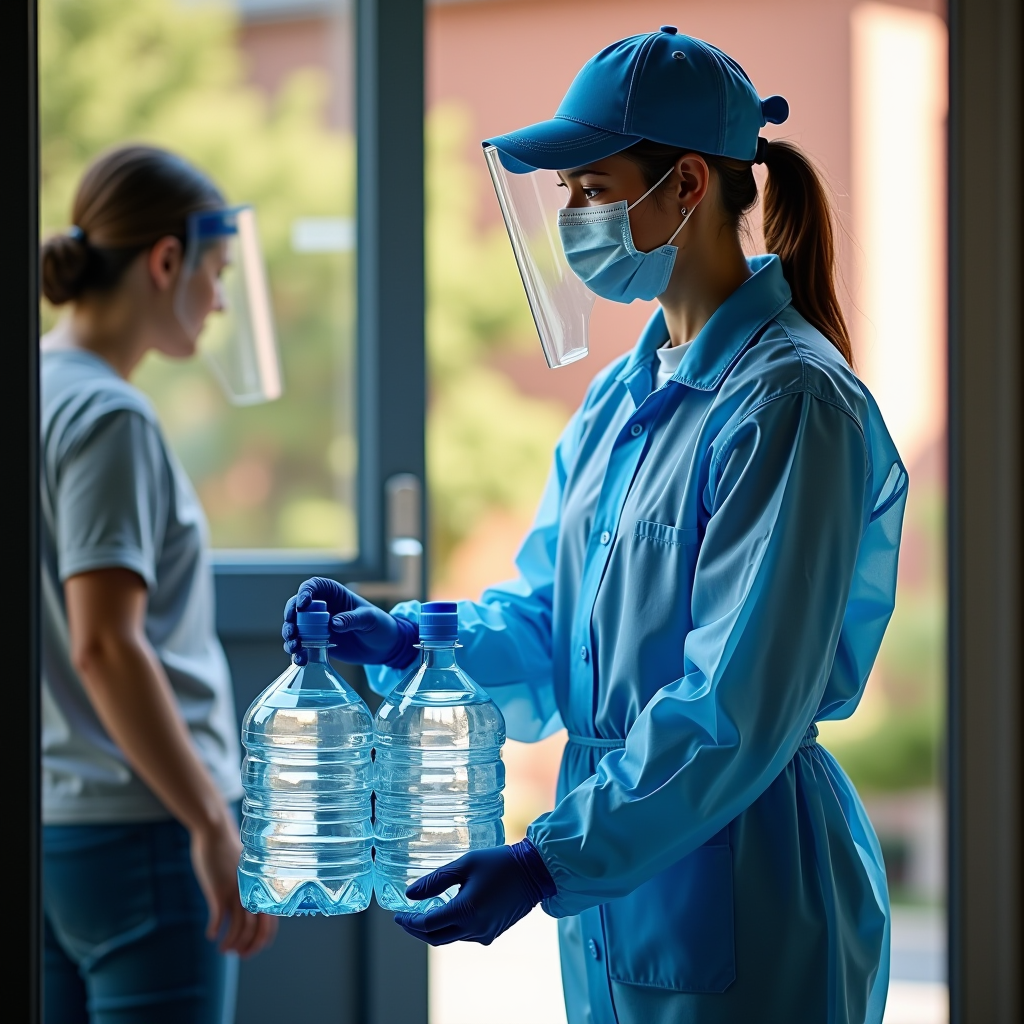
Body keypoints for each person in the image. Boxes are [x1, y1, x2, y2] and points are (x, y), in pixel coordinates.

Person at [283, 28, 906, 1024]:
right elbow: (549, 623)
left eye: (590, 188)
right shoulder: (624, 396)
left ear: (688, 185)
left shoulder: (789, 405)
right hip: (626, 877)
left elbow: (735, 703)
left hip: (743, 875)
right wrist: (410, 639)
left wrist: (547, 858)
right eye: (567, 193)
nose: (570, 218)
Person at [41, 145, 277, 1024]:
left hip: (52, 825)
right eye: (213, 273)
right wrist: (211, 822)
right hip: (141, 832)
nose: (219, 301)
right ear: (164, 261)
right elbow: (104, 643)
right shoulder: (108, 415)